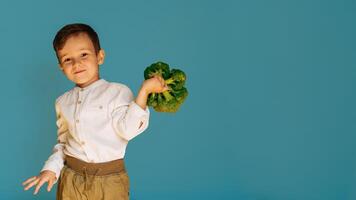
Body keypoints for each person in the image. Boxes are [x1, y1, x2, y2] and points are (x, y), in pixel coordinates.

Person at [22, 23, 168, 199]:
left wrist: (144, 91)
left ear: (100, 56)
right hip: (71, 180)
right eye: (68, 59)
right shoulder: (62, 102)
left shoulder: (118, 92)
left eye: (84, 54)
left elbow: (128, 131)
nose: (77, 63)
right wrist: (50, 169)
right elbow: (64, 144)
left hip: (110, 182)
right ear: (61, 66)